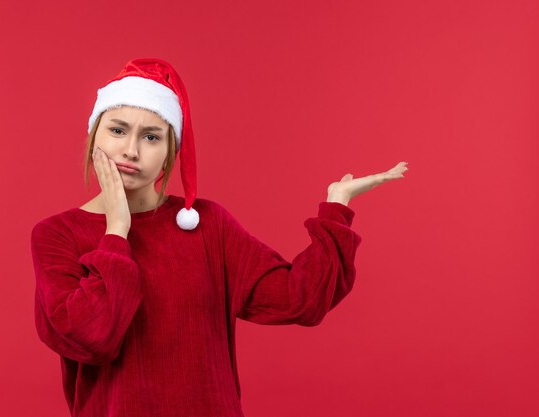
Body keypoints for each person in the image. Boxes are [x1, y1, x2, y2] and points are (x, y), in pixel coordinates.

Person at [29, 57, 408, 417]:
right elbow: (90, 336)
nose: (131, 150)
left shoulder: (208, 225)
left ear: (170, 150)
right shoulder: (56, 235)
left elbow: (300, 298)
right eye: (117, 130)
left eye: (151, 136)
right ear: (94, 134)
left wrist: (336, 205)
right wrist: (117, 230)